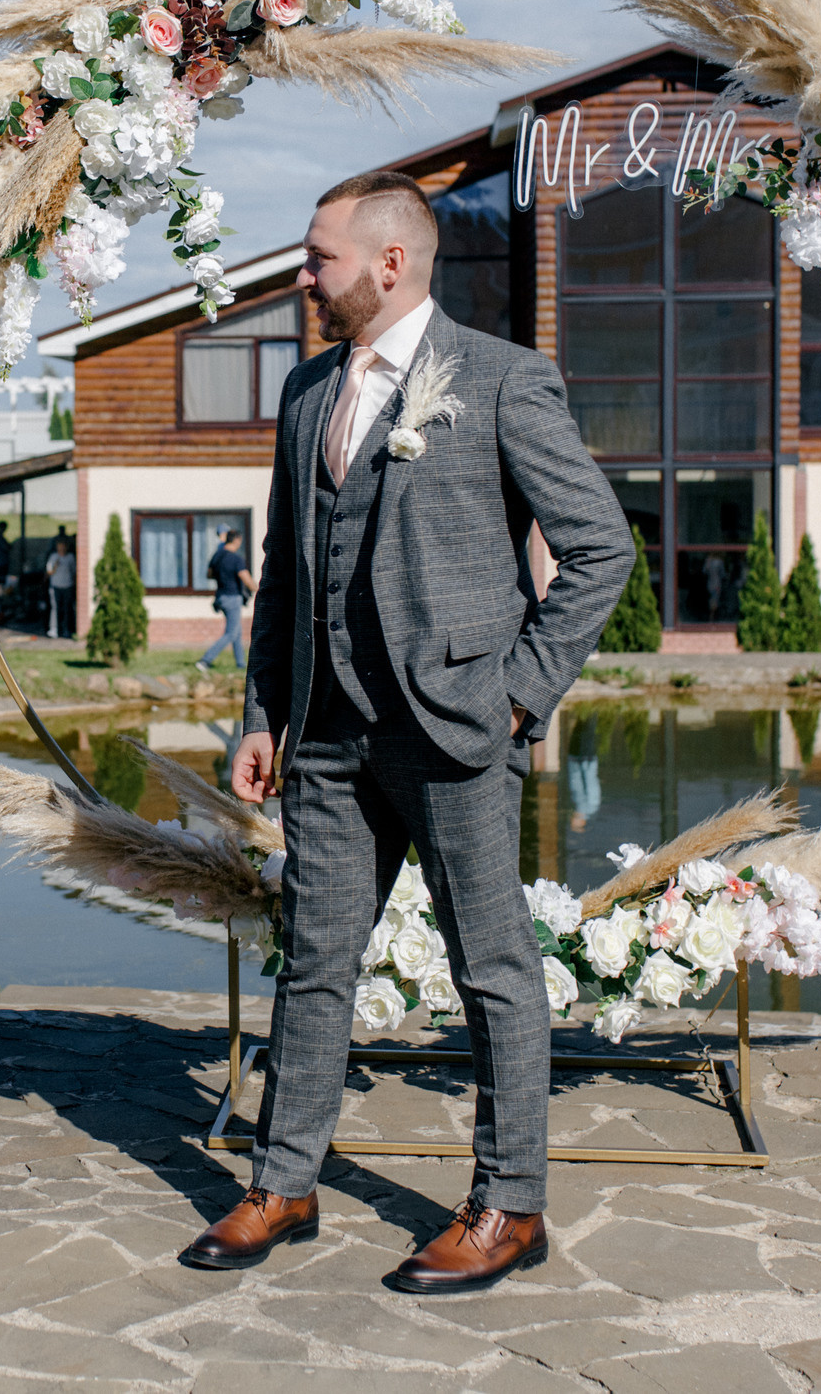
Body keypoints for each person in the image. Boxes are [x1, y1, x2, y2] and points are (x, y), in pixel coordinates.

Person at [179, 171, 629, 1293]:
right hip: (325, 736)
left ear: (389, 264)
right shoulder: (304, 392)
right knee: (315, 965)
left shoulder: (501, 381)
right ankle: (284, 1184)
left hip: (455, 732)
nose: (299, 276)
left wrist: (521, 694)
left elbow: (598, 551)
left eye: (316, 256)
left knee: (493, 970)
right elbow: (288, 575)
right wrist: (263, 712)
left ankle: (509, 1207)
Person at [198, 527, 254, 670]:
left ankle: (240, 664)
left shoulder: (217, 556)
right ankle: (205, 660)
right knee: (231, 633)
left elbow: (209, 575)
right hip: (233, 597)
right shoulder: (236, 559)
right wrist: (260, 589)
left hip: (220, 597)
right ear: (237, 540)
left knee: (236, 631)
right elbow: (246, 578)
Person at [47, 529, 76, 639]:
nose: (62, 548)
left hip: (68, 586)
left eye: (64, 546)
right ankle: (54, 629)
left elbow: (74, 572)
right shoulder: (53, 557)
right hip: (56, 586)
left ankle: (67, 630)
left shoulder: (70, 557)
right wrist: (55, 566)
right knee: (56, 609)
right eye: (60, 546)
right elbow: (49, 572)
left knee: (67, 608)